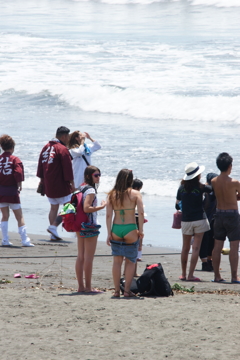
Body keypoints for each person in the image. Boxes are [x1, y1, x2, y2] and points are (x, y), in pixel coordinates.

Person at [106, 169, 144, 298]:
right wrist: (141, 231)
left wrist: (108, 232)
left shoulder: (111, 194)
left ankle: (117, 291)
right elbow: (141, 213)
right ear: (131, 180)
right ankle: (127, 291)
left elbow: (108, 215)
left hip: (116, 228)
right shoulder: (135, 193)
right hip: (130, 228)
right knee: (130, 261)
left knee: (117, 261)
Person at [37, 126, 75, 240]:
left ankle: (53, 234)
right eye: (68, 136)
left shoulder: (46, 147)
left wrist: (42, 181)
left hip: (48, 183)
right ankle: (53, 227)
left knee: (54, 208)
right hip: (60, 183)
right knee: (70, 206)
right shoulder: (62, 149)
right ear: (63, 136)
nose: (68, 139)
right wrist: (72, 184)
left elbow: (40, 166)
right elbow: (67, 168)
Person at [176, 162, 212, 282]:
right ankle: (191, 275)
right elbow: (212, 189)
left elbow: (177, 205)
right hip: (199, 219)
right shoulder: (202, 187)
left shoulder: (181, 188)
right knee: (196, 248)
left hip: (186, 220)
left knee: (185, 248)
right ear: (197, 175)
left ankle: (183, 274)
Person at [75, 165, 106, 293]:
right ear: (89, 176)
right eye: (96, 175)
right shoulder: (91, 191)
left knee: (81, 256)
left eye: (99, 175)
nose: (98, 178)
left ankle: (81, 287)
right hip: (90, 226)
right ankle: (88, 287)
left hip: (80, 224)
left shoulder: (81, 187)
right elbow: (87, 208)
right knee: (88, 258)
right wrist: (102, 206)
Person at [0, 135, 34, 246]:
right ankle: (25, 240)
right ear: (12, 147)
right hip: (12, 191)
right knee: (19, 216)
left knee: (5, 216)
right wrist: (19, 184)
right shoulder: (15, 159)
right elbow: (18, 172)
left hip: (1, 192)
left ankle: (5, 239)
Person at [211, 153, 240, 283]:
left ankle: (217, 276)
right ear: (230, 166)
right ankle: (234, 277)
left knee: (217, 245)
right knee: (234, 246)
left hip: (219, 214)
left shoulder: (214, 181)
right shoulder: (234, 182)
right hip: (232, 215)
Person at [199, 173, 218, 271]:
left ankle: (208, 261)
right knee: (207, 241)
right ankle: (206, 262)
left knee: (208, 241)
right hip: (206, 219)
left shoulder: (212, 190)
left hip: (210, 219)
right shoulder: (206, 190)